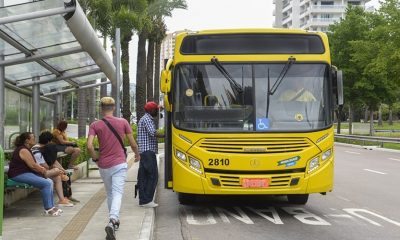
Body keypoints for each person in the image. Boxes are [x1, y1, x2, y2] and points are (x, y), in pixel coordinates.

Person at [87, 97, 140, 240]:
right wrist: (136, 154)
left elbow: (89, 146)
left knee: (110, 193)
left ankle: (113, 222)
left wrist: (96, 159)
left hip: (104, 164)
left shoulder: (95, 125)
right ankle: (113, 220)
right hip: (119, 163)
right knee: (117, 193)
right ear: (114, 107)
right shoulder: (123, 122)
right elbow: (132, 143)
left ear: (101, 108)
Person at [7, 132, 64, 216]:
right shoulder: (23, 150)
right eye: (33, 138)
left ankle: (51, 206)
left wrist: (43, 171)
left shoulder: (27, 149)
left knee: (49, 181)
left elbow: (33, 165)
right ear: (27, 140)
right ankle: (48, 208)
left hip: (25, 173)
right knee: (46, 183)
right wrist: (43, 170)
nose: (35, 140)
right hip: (18, 174)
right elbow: (33, 165)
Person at [32, 131, 74, 207]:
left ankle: (62, 200)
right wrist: (59, 170)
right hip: (37, 172)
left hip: (44, 171)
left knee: (58, 176)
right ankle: (63, 197)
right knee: (58, 172)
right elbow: (45, 166)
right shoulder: (37, 151)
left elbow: (53, 161)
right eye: (51, 141)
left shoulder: (44, 148)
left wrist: (63, 170)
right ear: (48, 141)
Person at [136, 101, 165, 208]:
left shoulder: (145, 118)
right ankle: (147, 200)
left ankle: (144, 200)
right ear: (151, 110)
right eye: (156, 109)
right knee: (153, 176)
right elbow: (153, 132)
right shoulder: (147, 119)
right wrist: (167, 134)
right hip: (148, 151)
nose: (157, 111)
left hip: (145, 151)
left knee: (144, 176)